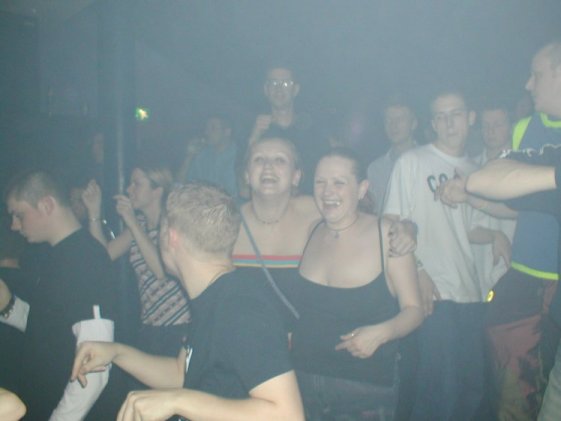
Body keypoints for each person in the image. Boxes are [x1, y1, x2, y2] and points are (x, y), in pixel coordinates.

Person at [71, 182, 305, 421]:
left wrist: (177, 400)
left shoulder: (242, 309)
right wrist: (117, 352)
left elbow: (288, 416)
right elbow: (180, 373)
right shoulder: (213, 296)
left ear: (170, 236)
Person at [440, 42, 561, 419]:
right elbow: (515, 200)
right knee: (512, 390)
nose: (527, 84)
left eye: (536, 75)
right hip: (527, 277)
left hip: (554, 283)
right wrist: (471, 197)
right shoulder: (526, 128)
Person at [383, 89, 509, 420]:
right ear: (432, 123)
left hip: (471, 293)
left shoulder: (474, 171)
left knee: (472, 392)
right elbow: (390, 224)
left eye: (455, 114)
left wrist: (495, 234)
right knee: (438, 396)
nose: (448, 123)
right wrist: (418, 271)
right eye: (440, 116)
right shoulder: (412, 162)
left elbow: (470, 229)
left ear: (470, 118)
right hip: (434, 294)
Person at [289, 148, 423, 420]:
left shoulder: (388, 235)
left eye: (339, 182)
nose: (327, 191)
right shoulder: (311, 230)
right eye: (320, 182)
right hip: (302, 382)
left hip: (363, 389)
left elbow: (415, 310)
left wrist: (381, 333)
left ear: (362, 189)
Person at [0, 170, 117, 420]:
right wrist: (7, 305)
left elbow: (94, 370)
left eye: (19, 215)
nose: (14, 225)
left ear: (47, 205)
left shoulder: (85, 258)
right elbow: (49, 329)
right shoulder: (53, 255)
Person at [82, 161, 190, 357]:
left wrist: (130, 220)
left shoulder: (173, 223)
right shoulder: (138, 225)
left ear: (157, 190)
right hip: (150, 326)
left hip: (178, 326)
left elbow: (161, 271)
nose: (129, 189)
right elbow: (103, 256)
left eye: (136, 184)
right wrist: (94, 212)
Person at [247, 65, 330, 194]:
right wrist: (254, 138)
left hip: (308, 202)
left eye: (285, 83)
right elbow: (244, 186)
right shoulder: (255, 131)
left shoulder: (313, 131)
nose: (279, 88)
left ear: (295, 90)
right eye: (273, 83)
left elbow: (326, 171)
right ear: (266, 89)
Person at [471, 102, 517, 297]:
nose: (491, 131)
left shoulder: (524, 169)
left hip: (515, 269)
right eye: (486, 125)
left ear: (511, 126)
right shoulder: (469, 170)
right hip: (478, 271)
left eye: (498, 124)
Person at [367, 94, 418, 214]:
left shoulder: (427, 161)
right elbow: (375, 210)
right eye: (388, 120)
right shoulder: (375, 168)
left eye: (400, 119)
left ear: (413, 124)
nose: (393, 125)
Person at [176, 115, 239, 197]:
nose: (207, 132)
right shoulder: (202, 155)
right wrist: (189, 156)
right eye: (207, 128)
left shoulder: (239, 157)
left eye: (213, 128)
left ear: (227, 132)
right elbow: (179, 185)